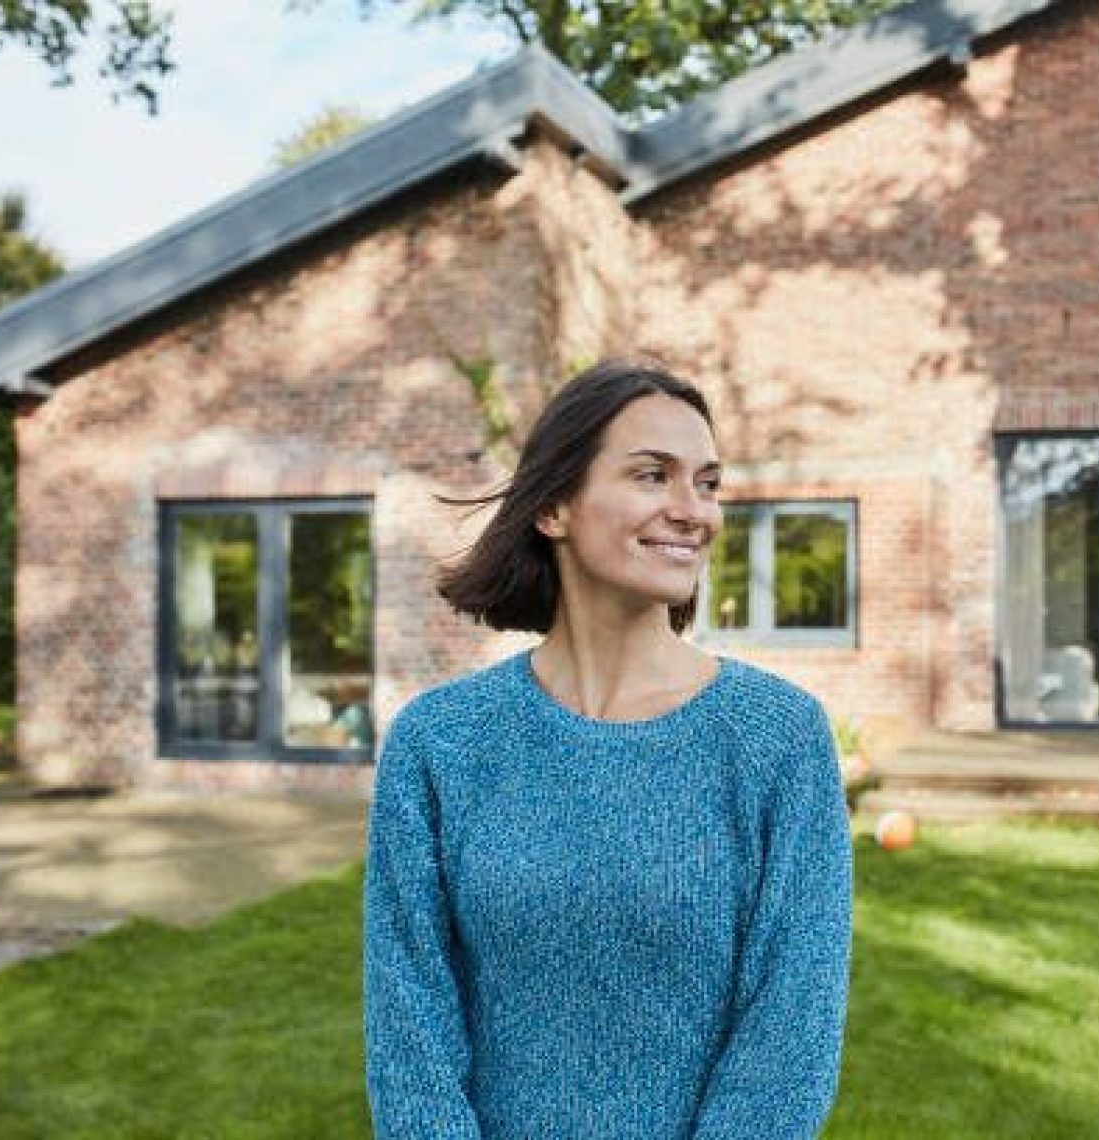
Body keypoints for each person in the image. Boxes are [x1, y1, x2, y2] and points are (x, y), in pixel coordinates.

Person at [362, 359, 855, 1138]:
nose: (693, 512)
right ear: (554, 506)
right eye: (653, 475)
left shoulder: (779, 740)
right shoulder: (441, 742)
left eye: (708, 483)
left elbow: (789, 1039)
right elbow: (409, 1030)